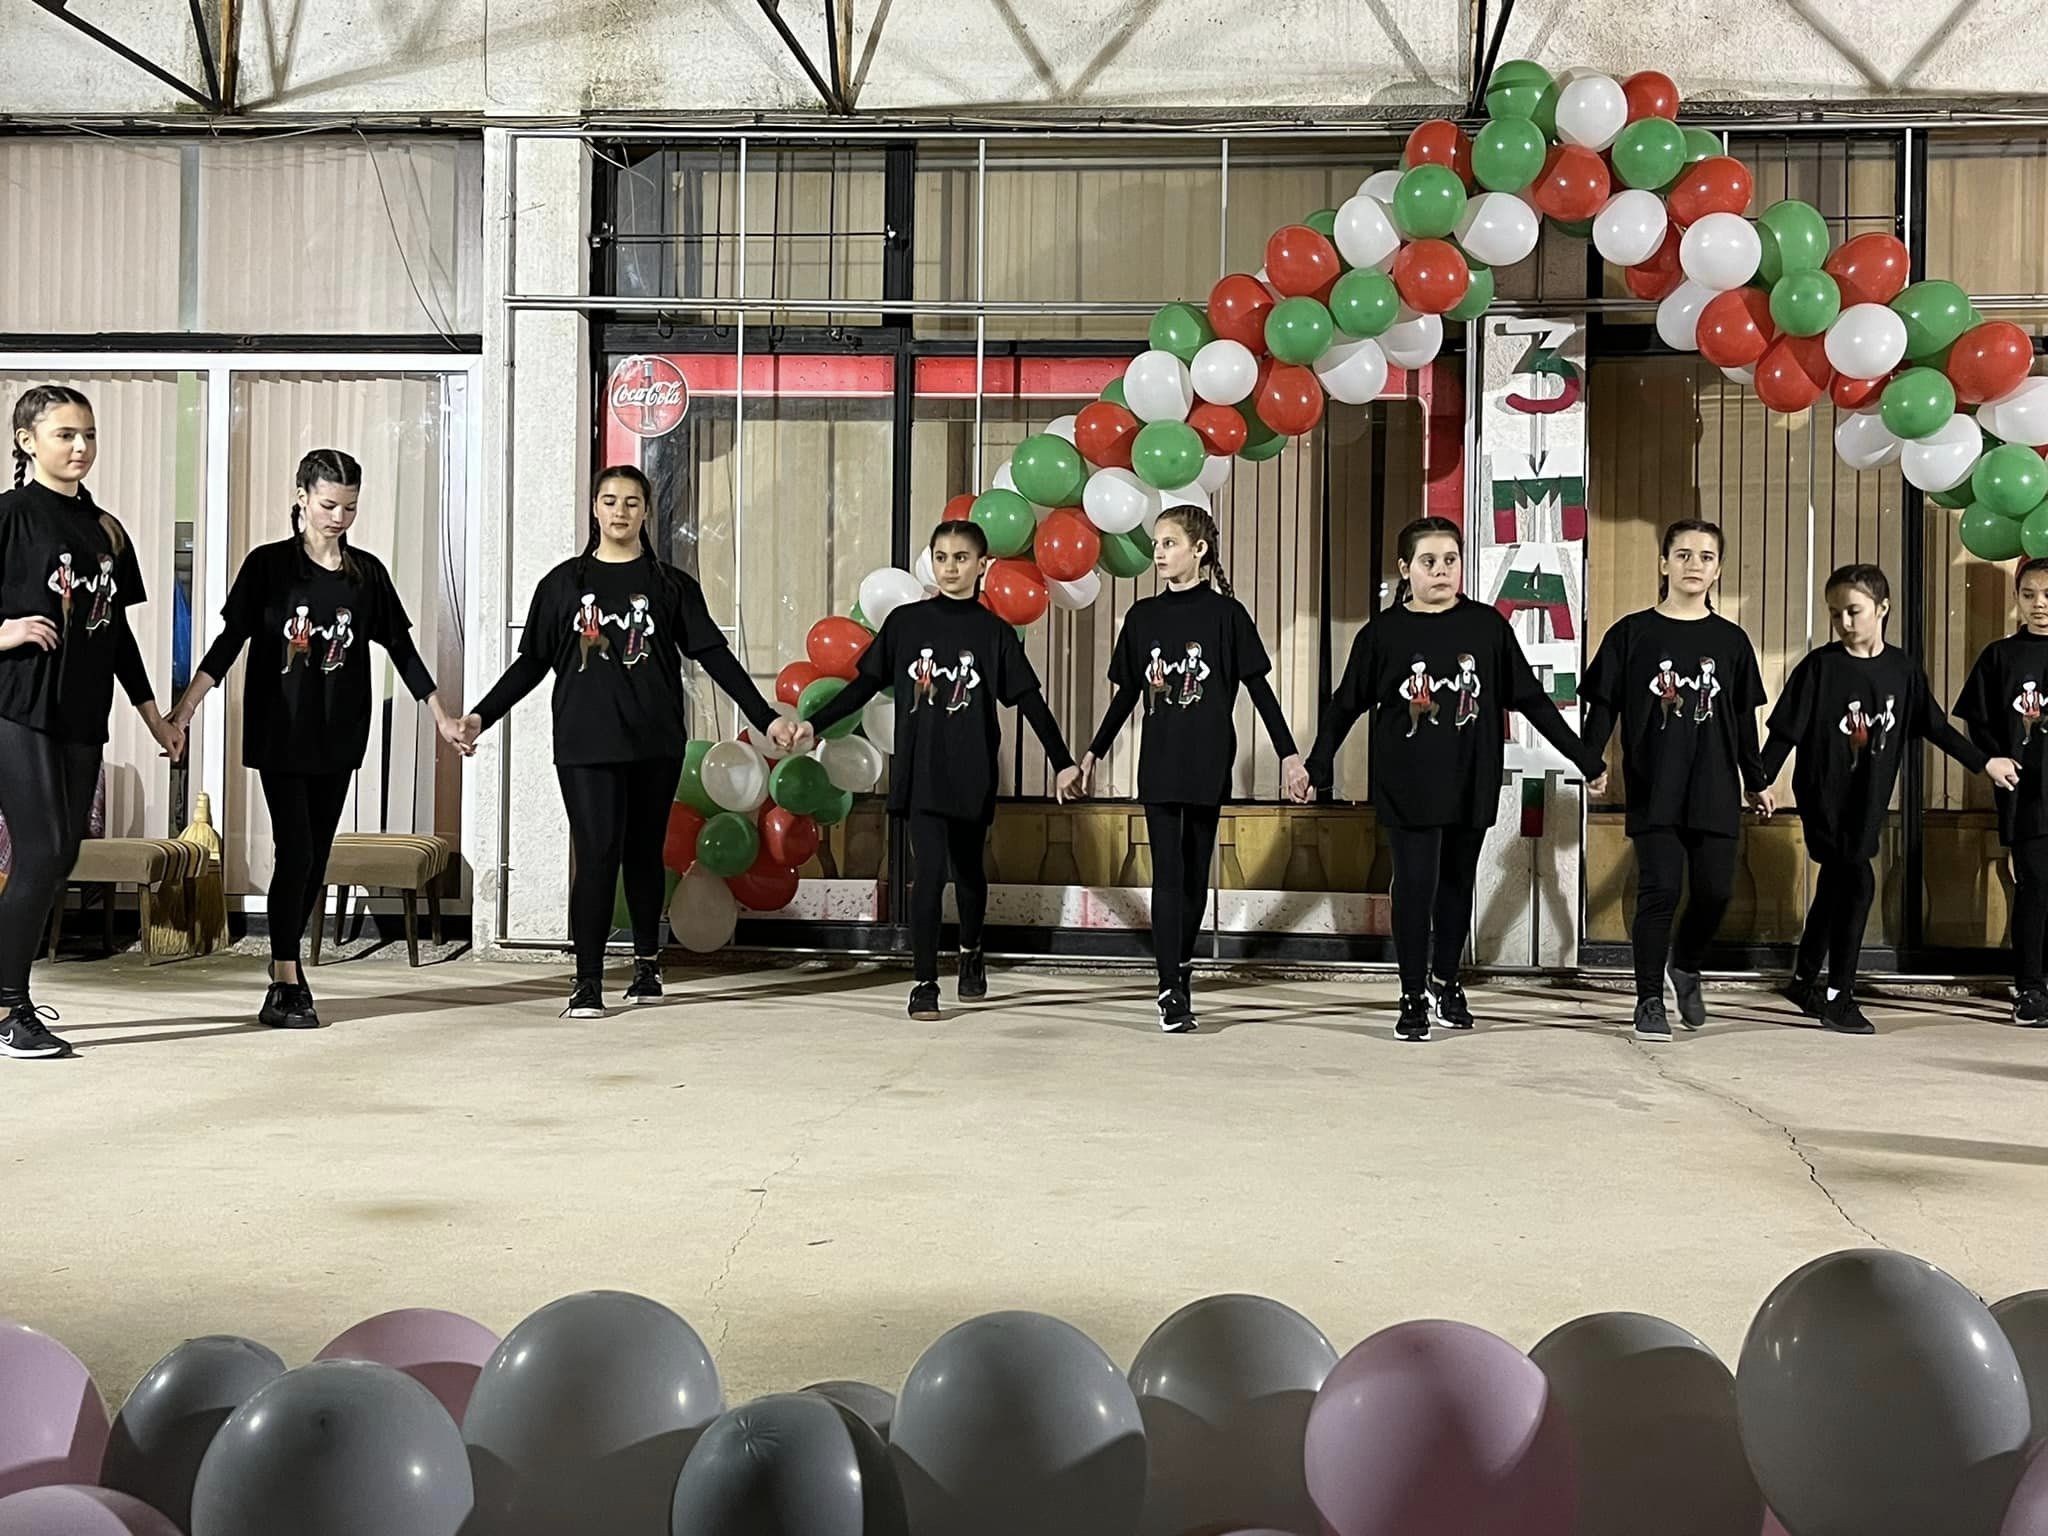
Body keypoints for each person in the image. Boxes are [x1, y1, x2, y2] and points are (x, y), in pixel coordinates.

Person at [455, 465, 794, 1018]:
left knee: (643, 854)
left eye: (632, 502)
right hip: (584, 744)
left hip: (655, 742)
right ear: (594, 508)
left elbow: (713, 655)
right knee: (595, 855)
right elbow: (532, 664)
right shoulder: (562, 585)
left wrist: (765, 718)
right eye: (610, 500)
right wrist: (480, 717)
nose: (620, 511)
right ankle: (587, 981)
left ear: (646, 511)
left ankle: (645, 964)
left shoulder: (671, 587)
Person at [171, 449, 470, 1030]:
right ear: (302, 496)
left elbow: (401, 650)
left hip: (339, 733)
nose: (338, 517)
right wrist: (185, 708)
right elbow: (229, 642)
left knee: (313, 858)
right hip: (280, 731)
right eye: (329, 504)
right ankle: (286, 976)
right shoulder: (268, 566)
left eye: (350, 507)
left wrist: (441, 715)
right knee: (298, 851)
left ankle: (284, 969)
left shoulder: (366, 575)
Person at [1301, 516, 1604, 1043]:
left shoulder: (1486, 627)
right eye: (1429, 561)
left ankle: (1445, 980)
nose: (1441, 570)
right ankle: (1411, 993)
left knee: (1457, 884)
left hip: (1471, 775)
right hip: (1407, 781)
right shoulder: (1383, 634)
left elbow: (1532, 699)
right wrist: (1317, 764)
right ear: (1405, 569)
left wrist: (1585, 758)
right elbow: (1345, 704)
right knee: (1415, 885)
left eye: (1450, 560)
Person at [802, 519, 1081, 1022]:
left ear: (982, 565)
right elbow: (863, 686)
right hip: (920, 770)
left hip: (972, 768)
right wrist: (813, 725)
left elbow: (1029, 701)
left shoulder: (994, 633)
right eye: (942, 557)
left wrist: (1062, 762)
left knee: (968, 870)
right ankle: (925, 982)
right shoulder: (906, 624)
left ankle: (971, 950)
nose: (950, 567)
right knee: (928, 874)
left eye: (961, 558)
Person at [0, 385, 183, 1059]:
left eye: (89, 435)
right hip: (16, 708)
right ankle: (7, 1007)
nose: (81, 447)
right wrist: (4, 632)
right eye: (65, 435)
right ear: (27, 441)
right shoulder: (9, 517)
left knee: (63, 855)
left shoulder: (106, 529)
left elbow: (117, 636)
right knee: (42, 848)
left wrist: (154, 717)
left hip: (83, 714)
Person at [1757, 564, 2017, 1035]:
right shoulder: (1819, 667)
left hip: (1869, 798)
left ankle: (1803, 979)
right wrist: (1761, 782)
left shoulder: (1902, 669)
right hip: (1824, 795)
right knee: (1857, 882)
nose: (1844, 622)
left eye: (1853, 611)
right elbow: (1783, 733)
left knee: (1836, 885)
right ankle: (1838, 997)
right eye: (1835, 613)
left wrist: (1985, 763)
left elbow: (1935, 726)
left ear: (1882, 608)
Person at [1076, 505, 1308, 1032]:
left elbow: (1261, 692)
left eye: (1169, 543)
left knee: (1194, 874)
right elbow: (1126, 696)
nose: (1158, 553)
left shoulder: (1228, 616)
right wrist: (1094, 752)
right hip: (1159, 760)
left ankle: (1180, 966)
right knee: (1167, 873)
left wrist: (1290, 755)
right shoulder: (1142, 618)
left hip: (1208, 758)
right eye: (1156, 544)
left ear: (1199, 549)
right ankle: (1168, 987)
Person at [1581, 519, 1771, 1043]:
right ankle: (1648, 1000)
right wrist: (1591, 760)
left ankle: (1685, 964)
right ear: (1663, 563)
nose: (1694, 565)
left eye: (1706, 557)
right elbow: (1603, 707)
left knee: (1715, 891)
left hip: (1715, 786)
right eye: (1683, 554)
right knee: (1659, 890)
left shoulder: (1731, 641)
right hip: (1655, 784)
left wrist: (1756, 780)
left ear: (1718, 570)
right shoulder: (1630, 634)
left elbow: (1743, 721)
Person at [1956, 556, 2048, 1027]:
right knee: (2035, 887)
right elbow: (1978, 720)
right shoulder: (1999, 656)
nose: (2040, 604)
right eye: (2029, 595)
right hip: (2028, 795)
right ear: (2017, 599)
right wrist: (1995, 761)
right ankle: (2030, 987)